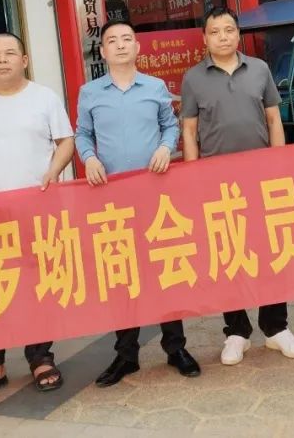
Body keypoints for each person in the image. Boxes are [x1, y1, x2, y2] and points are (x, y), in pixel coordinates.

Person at [76, 19, 202, 386]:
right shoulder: (90, 92)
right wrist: (89, 158)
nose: (120, 45)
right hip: (111, 199)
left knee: (165, 269)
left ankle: (175, 347)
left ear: (137, 47)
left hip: (154, 194)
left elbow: (171, 125)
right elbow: (82, 133)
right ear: (102, 51)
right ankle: (126, 355)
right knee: (122, 273)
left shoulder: (156, 87)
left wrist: (165, 147)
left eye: (126, 39)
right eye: (112, 41)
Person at [181, 7, 294, 366]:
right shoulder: (193, 78)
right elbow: (189, 130)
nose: (223, 37)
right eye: (215, 31)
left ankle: (276, 327)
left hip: (262, 178)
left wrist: (279, 166)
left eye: (229, 30)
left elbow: (273, 119)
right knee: (228, 254)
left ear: (238, 34)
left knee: (270, 251)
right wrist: (193, 178)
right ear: (204, 38)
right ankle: (236, 331)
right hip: (216, 184)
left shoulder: (260, 69)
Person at [0, 32, 75, 403]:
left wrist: (53, 171)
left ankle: (40, 358)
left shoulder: (44, 97)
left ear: (24, 60)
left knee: (37, 283)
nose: (2, 59)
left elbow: (65, 142)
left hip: (38, 209)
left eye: (10, 53)